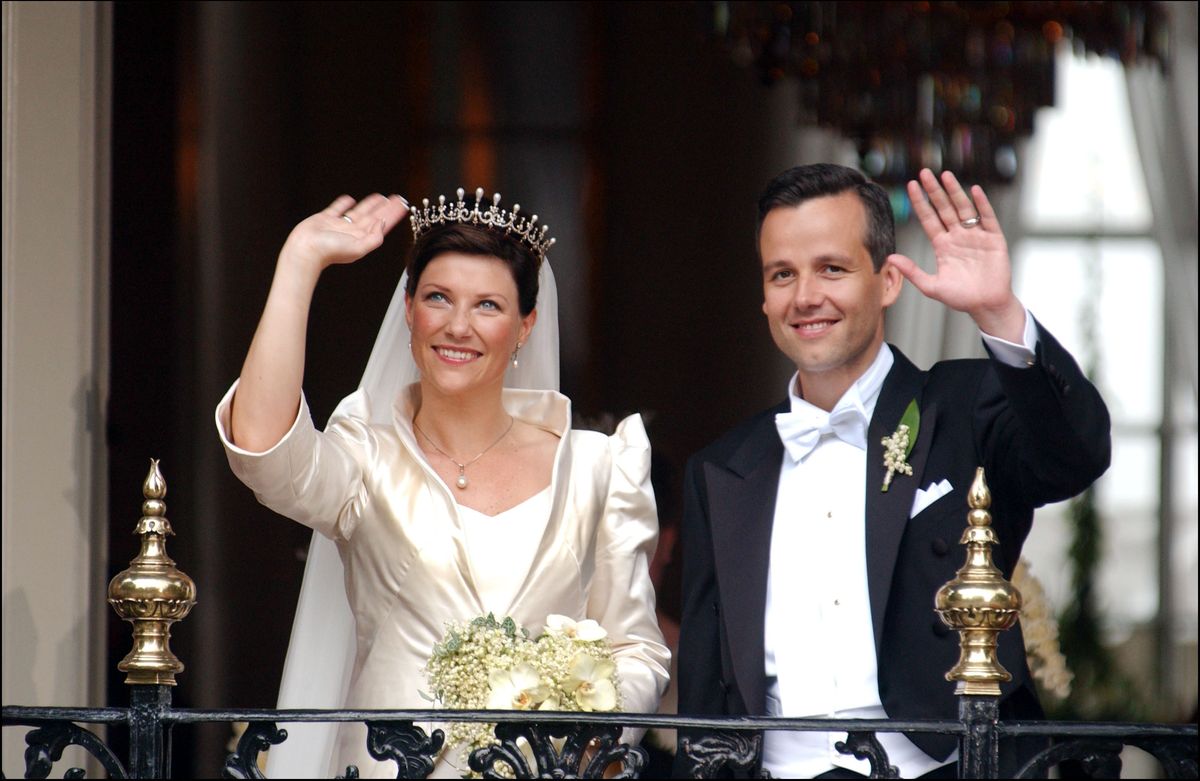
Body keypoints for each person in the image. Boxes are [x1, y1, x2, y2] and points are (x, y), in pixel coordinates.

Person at [215, 188, 670, 778]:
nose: (458, 326)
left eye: (487, 305)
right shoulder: (365, 459)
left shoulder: (598, 468)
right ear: (409, 310)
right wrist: (301, 260)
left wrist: (581, 727)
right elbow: (262, 450)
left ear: (525, 324)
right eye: (438, 298)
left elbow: (636, 650)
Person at [675, 164, 1111, 779]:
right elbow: (705, 684)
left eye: (832, 268)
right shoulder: (721, 469)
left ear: (887, 281)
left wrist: (998, 312)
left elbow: (1076, 455)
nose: (805, 297)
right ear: (764, 296)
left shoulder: (965, 407)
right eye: (782, 275)